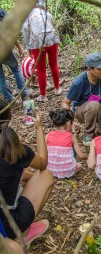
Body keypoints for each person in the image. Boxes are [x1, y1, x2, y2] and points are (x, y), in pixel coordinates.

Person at [0, 98, 54, 245]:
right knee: (46, 175)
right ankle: (23, 233)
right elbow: (43, 163)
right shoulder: (12, 149)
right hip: (7, 224)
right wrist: (39, 128)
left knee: (27, 176)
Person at [21, 0, 61, 102]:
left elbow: (25, 29)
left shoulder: (29, 14)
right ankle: (57, 89)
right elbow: (52, 24)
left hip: (36, 42)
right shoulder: (46, 12)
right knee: (54, 64)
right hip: (52, 38)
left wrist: (28, 46)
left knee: (41, 69)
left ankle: (43, 96)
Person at [0, 8, 32, 103]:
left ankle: (9, 99)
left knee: (0, 77)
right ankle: (24, 93)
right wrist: (19, 47)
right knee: (16, 69)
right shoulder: (1, 12)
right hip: (4, 48)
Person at [46, 108, 87, 178]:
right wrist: (89, 157)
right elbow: (81, 156)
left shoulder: (48, 135)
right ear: (68, 123)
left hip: (50, 170)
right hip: (67, 170)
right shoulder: (71, 137)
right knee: (79, 165)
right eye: (72, 123)